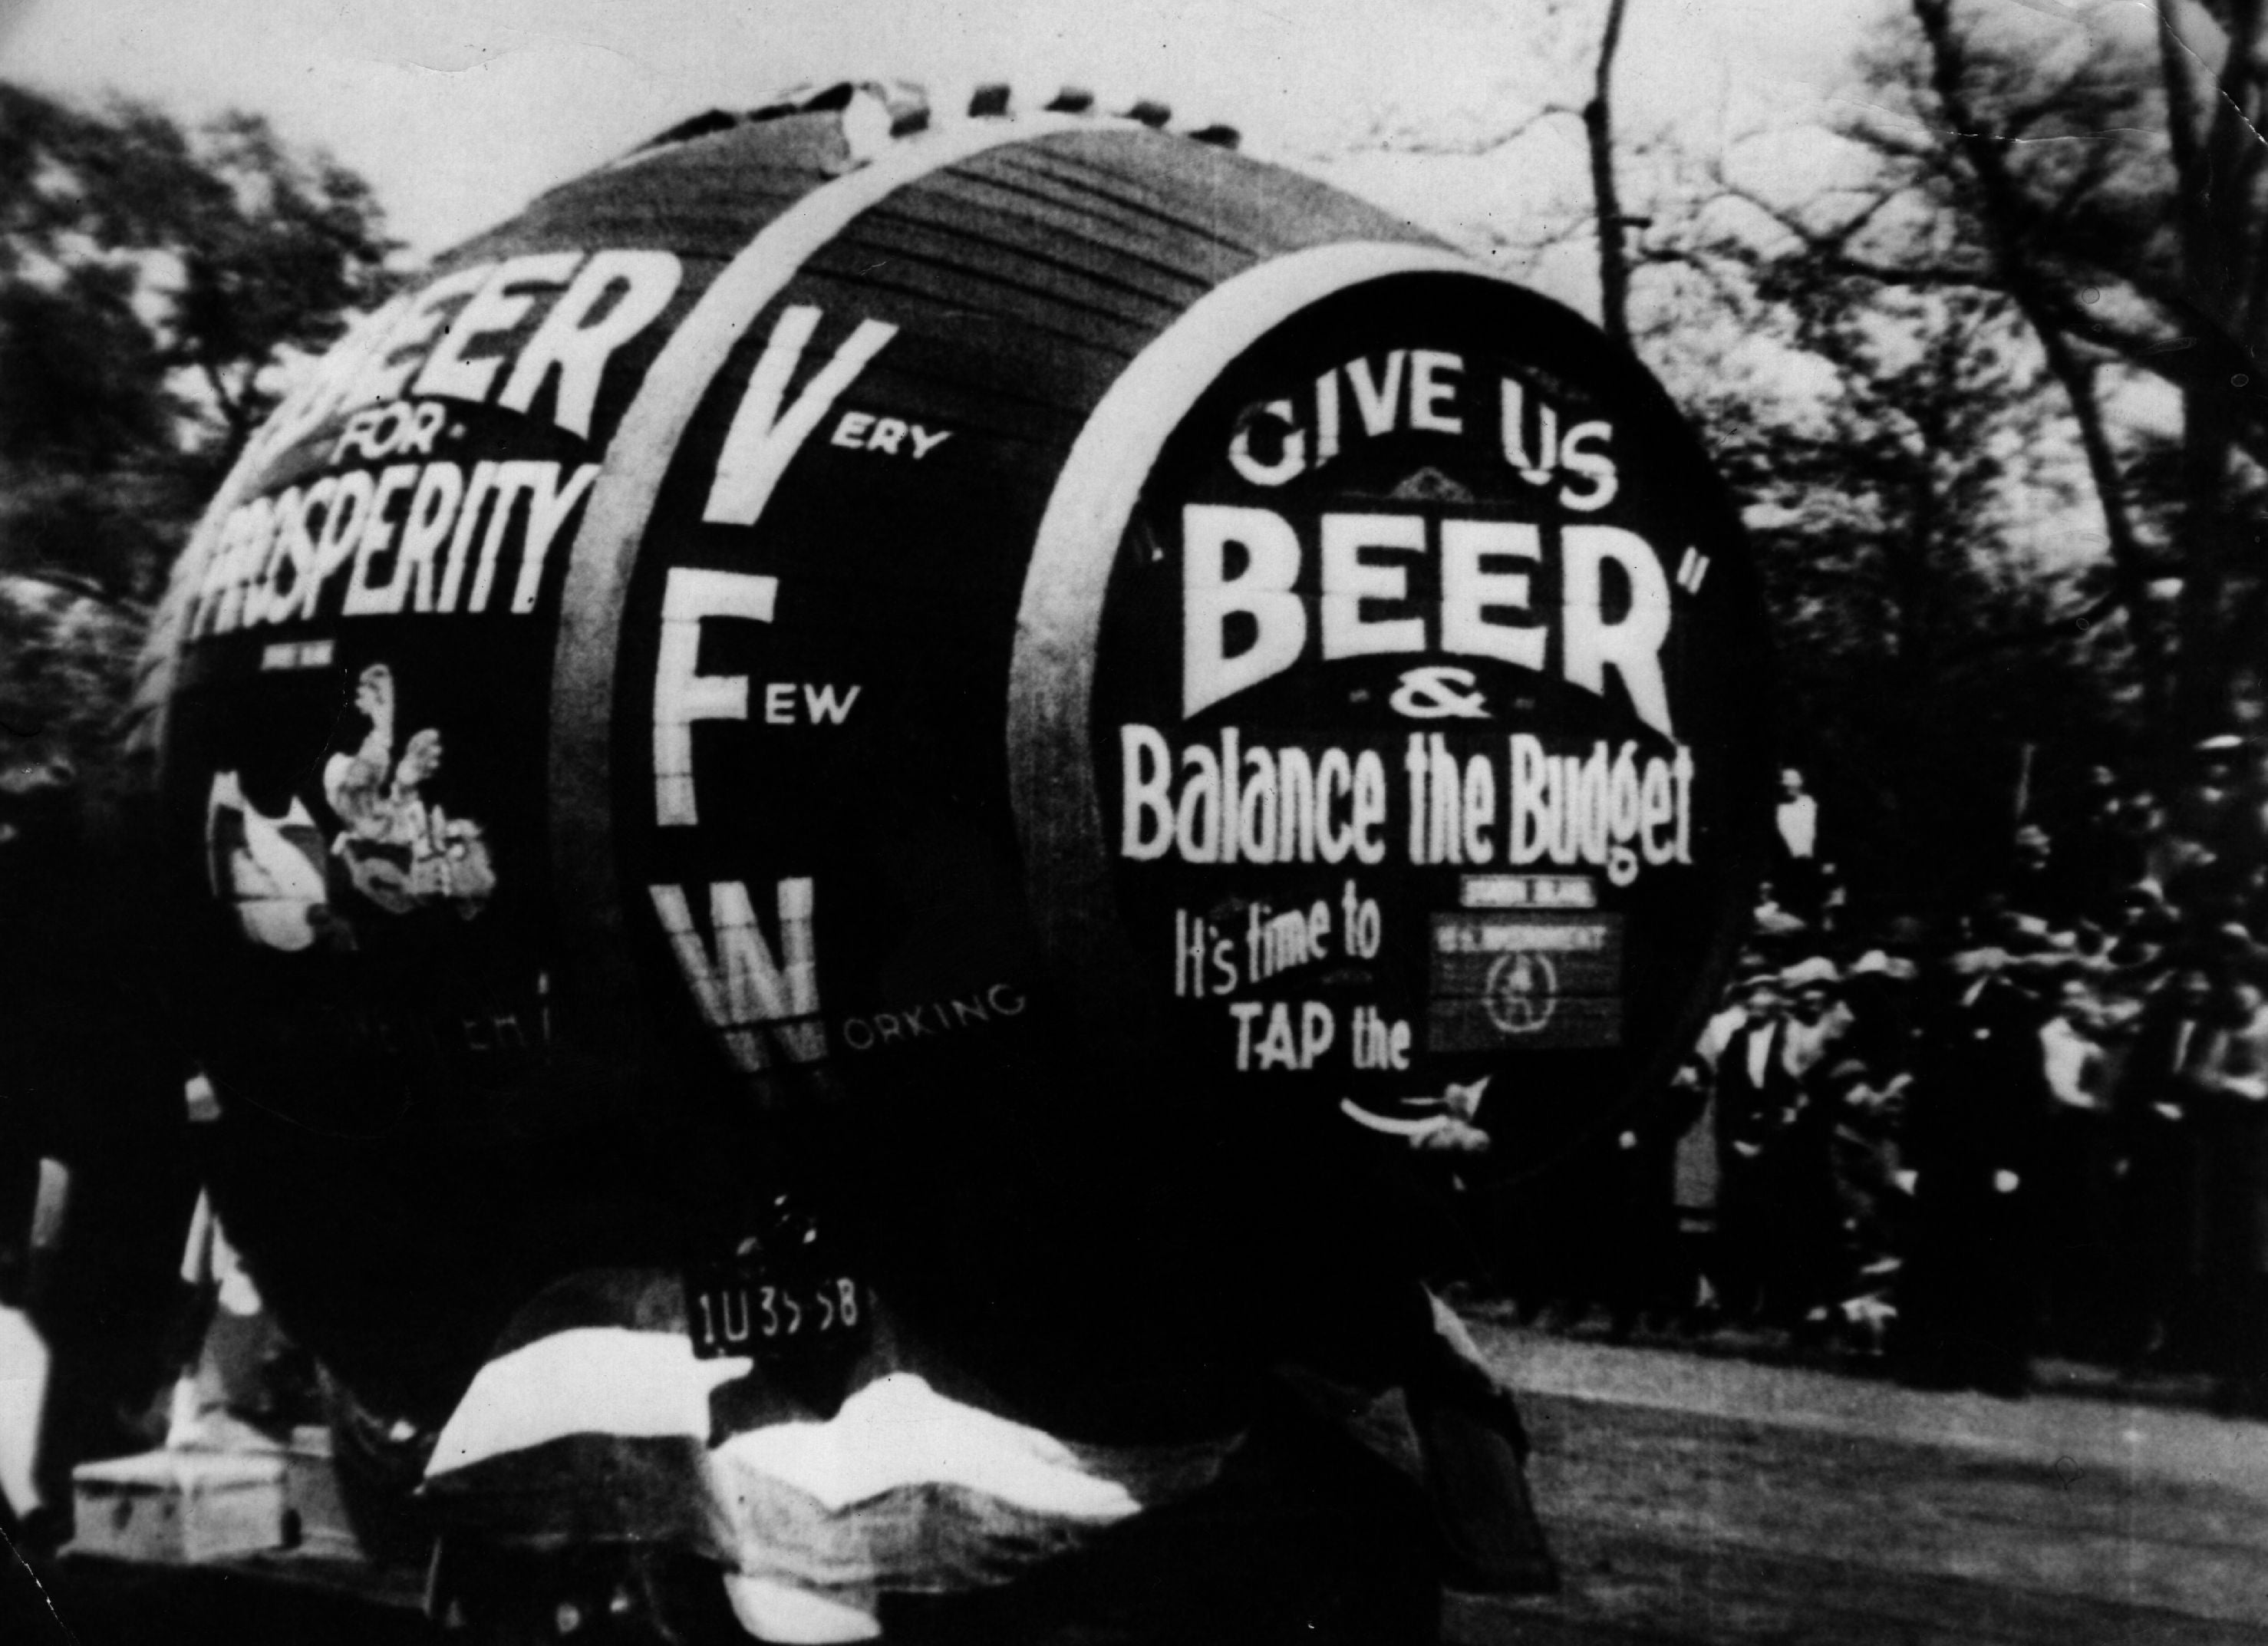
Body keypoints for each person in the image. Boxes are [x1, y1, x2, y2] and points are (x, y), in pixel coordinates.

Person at [1897, 945, 2045, 1396]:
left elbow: (2025, 1092)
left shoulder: (2013, 1011)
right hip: (1944, 1157)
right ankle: (1938, 1365)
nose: (1955, 961)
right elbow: (1924, 1091)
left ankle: (1997, 1370)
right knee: (1940, 1259)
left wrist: (2011, 1162)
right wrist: (1911, 1160)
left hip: (1989, 1161)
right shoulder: (1944, 1010)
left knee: (1993, 1265)